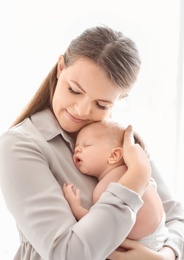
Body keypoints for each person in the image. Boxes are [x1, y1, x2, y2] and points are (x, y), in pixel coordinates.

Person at [0, 25, 183, 260]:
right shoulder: (20, 146)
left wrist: (166, 255)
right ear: (60, 68)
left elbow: (176, 216)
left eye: (102, 105)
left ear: (120, 99)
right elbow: (66, 254)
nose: (81, 110)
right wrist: (135, 177)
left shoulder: (120, 139)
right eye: (74, 90)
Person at [63, 120, 169, 252]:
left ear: (114, 155)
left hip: (142, 244)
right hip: (163, 237)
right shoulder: (136, 172)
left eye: (87, 145)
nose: (77, 149)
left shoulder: (107, 186)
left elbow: (99, 224)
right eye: (76, 147)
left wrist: (76, 207)